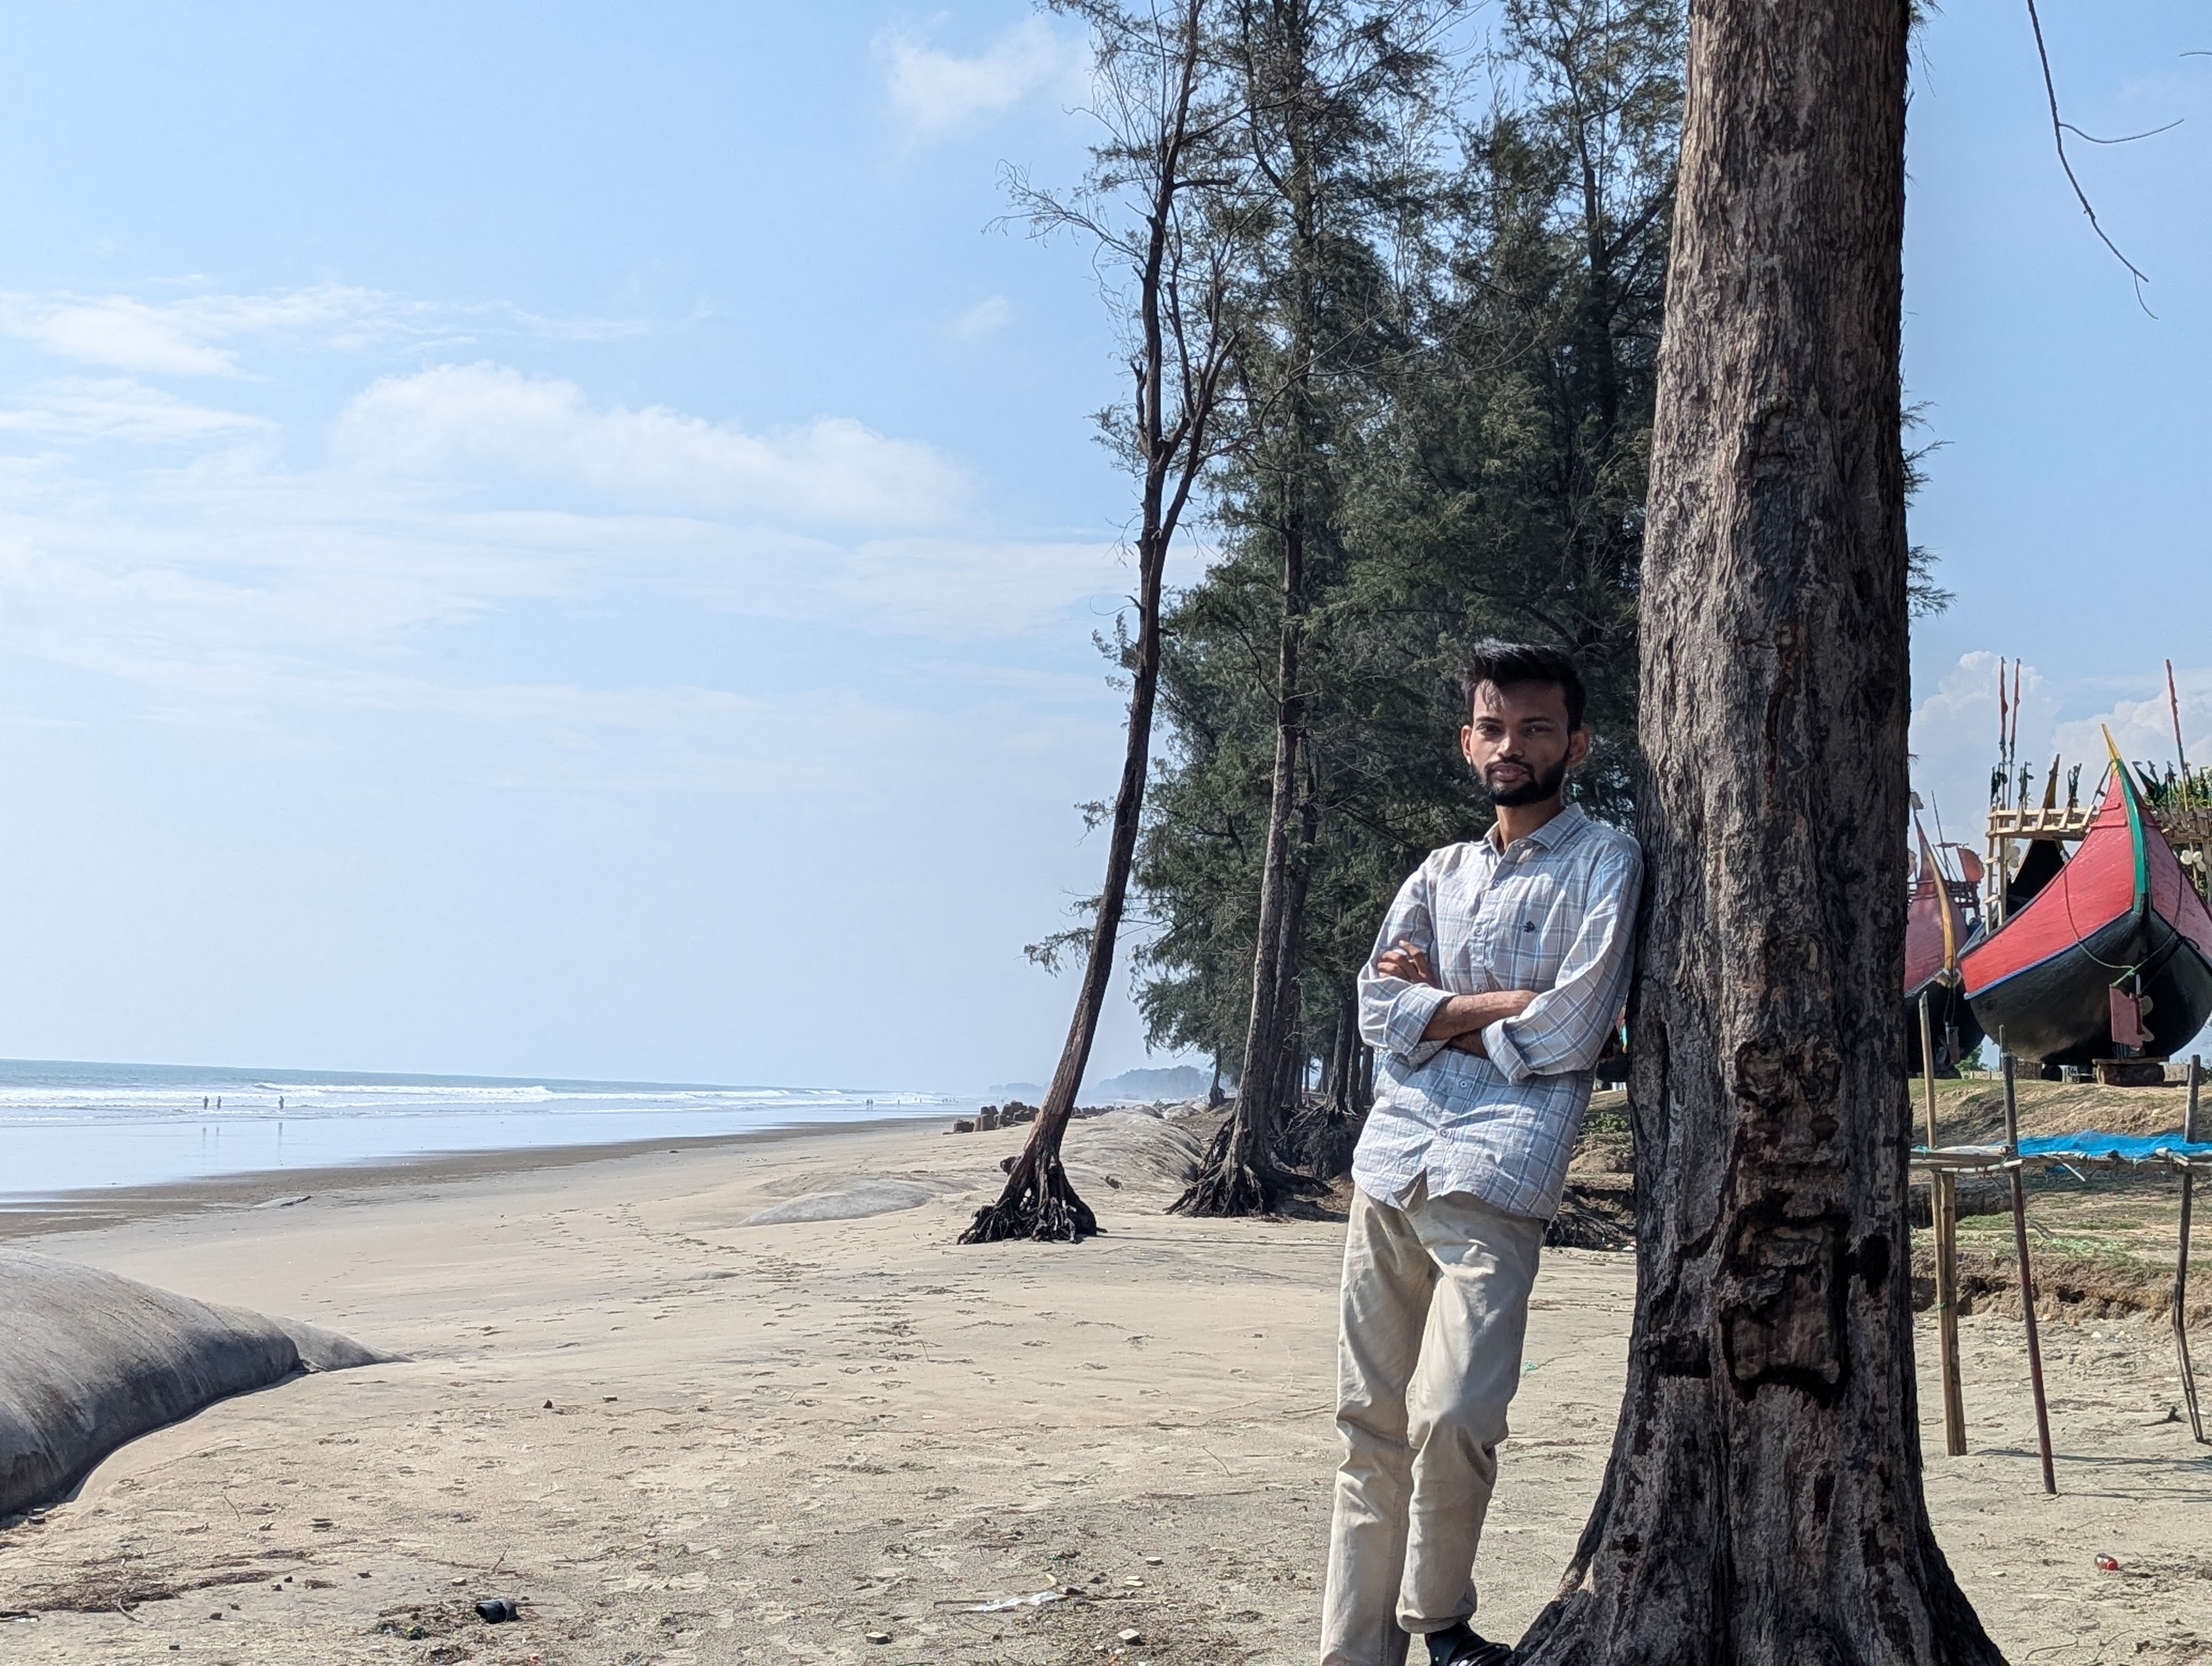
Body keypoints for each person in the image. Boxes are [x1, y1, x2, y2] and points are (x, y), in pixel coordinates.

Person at [1321, 641, 1641, 1666]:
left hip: (1501, 1170)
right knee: (1367, 1427)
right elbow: (1376, 1009)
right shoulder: (1439, 872)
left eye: (1536, 729)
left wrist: (1440, 1010)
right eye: (1494, 728)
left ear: (1575, 745)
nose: (1513, 746)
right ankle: (1355, 1655)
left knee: (1457, 1413)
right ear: (1468, 742)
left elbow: (1573, 1030)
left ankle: (1440, 1621)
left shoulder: (1605, 861)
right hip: (1392, 1162)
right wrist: (1497, 1007)